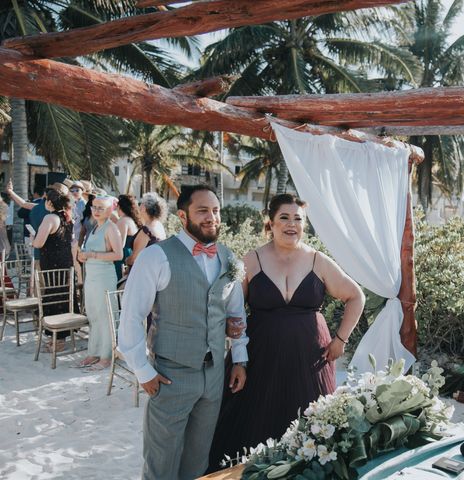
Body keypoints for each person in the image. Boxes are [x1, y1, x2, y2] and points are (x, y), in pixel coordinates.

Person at [208, 193, 365, 471]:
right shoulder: (252, 260)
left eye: (298, 219)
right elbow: (232, 311)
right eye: (284, 217)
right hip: (260, 360)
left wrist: (341, 339)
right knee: (252, 429)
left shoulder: (318, 261)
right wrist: (236, 353)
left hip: (309, 361)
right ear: (270, 222)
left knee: (309, 430)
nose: (292, 224)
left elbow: (356, 296)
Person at [118, 185, 249, 480]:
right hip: (170, 375)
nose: (211, 217)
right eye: (202, 210)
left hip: (214, 376)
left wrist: (239, 359)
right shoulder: (156, 257)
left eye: (215, 211)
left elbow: (236, 315)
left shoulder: (229, 259)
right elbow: (131, 317)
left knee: (198, 461)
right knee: (161, 463)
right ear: (182, 215)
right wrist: (142, 370)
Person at [75, 196, 123, 369]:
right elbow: (89, 251)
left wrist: (93, 255)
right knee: (93, 315)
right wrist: (82, 256)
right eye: (94, 207)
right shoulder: (95, 227)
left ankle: (106, 355)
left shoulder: (111, 228)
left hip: (104, 276)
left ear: (110, 210)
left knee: (105, 316)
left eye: (101, 208)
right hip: (91, 276)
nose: (96, 210)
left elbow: (118, 255)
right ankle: (93, 352)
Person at [30, 189, 75, 353]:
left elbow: (39, 243)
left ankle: (58, 340)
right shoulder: (67, 218)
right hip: (64, 262)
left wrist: (32, 239)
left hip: (52, 263)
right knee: (62, 295)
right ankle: (57, 338)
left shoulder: (50, 217)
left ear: (49, 202)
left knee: (52, 296)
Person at [125, 192, 167, 267]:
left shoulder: (146, 231)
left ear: (143, 208)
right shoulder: (159, 225)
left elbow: (134, 258)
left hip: (143, 272)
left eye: (140, 204)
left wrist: (126, 260)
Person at [114, 194, 141, 280]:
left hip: (123, 257)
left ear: (119, 207)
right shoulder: (131, 220)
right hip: (130, 254)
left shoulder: (123, 221)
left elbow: (120, 244)